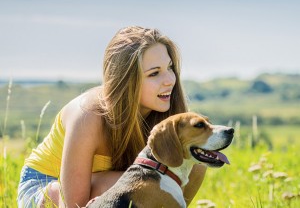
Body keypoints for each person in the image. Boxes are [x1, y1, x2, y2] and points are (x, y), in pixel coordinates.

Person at [17, 26, 207, 207]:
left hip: (109, 182)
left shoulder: (166, 118)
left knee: (194, 163)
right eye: (154, 73)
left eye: (170, 68)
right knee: (139, 185)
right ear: (126, 79)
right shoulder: (87, 115)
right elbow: (73, 204)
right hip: (44, 184)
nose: (169, 80)